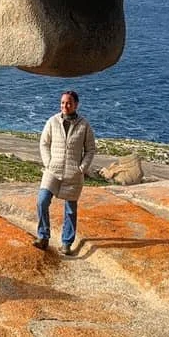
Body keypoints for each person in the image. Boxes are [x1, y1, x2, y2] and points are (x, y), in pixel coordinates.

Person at [33, 90, 96, 256]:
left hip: (73, 173)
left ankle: (66, 243)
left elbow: (90, 149)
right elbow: (44, 143)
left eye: (68, 103)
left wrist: (82, 168)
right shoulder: (52, 121)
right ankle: (43, 237)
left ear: (76, 104)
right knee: (42, 201)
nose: (64, 106)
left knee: (70, 209)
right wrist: (48, 162)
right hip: (53, 170)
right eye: (62, 102)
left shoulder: (84, 125)